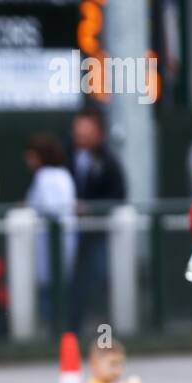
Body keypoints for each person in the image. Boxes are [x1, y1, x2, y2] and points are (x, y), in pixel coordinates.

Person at [67, 108, 126, 332]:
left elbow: (118, 195)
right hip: (71, 234)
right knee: (72, 281)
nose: (81, 136)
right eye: (78, 131)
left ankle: (103, 326)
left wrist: (91, 209)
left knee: (99, 277)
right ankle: (71, 328)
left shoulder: (108, 161)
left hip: (98, 233)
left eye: (87, 131)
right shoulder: (66, 157)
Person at [25, 133, 77, 331]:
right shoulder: (63, 174)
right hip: (63, 241)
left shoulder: (45, 176)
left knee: (52, 291)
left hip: (52, 243)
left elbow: (50, 209)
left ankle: (57, 331)